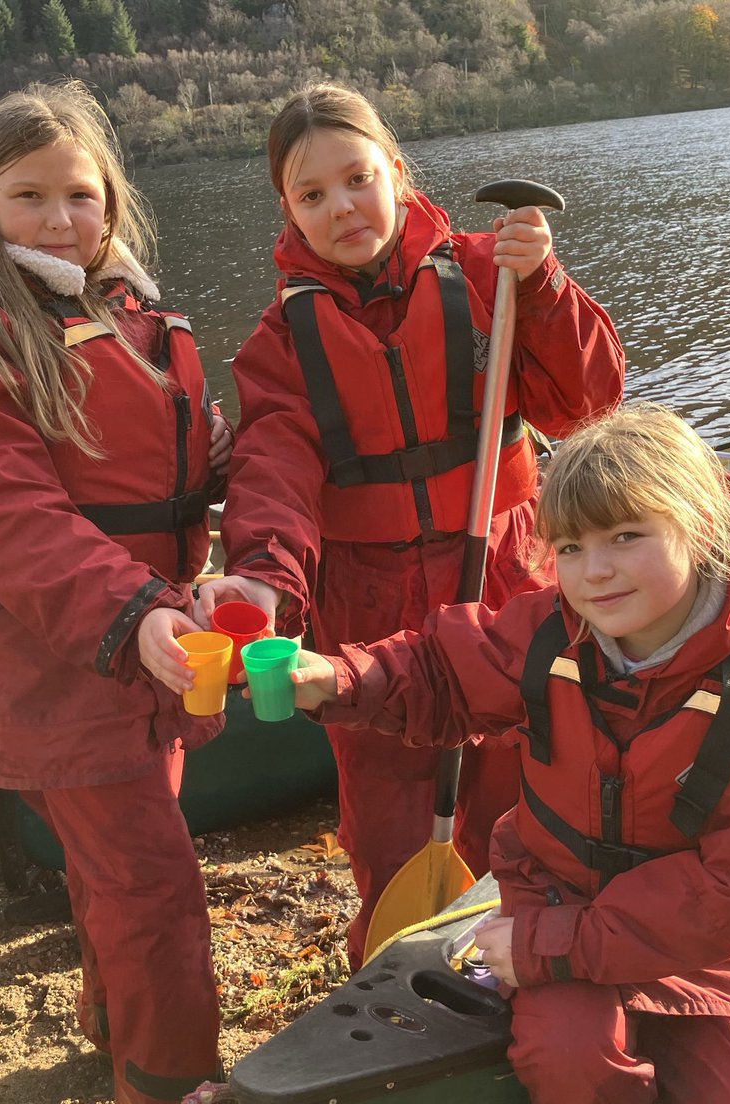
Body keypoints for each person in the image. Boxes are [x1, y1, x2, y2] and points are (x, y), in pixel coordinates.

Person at [288, 403, 730, 1104]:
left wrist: (546, 947)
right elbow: (439, 669)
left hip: (707, 944)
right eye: (570, 548)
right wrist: (337, 679)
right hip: (560, 891)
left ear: (700, 528)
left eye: (626, 536)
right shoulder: (548, 634)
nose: (595, 570)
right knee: (569, 1065)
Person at [0, 82, 269, 1104]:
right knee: (154, 890)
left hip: (143, 648)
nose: (60, 219)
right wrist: (131, 614)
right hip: (63, 658)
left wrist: (218, 463)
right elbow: (5, 510)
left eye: (80, 193)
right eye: (29, 196)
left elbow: (135, 472)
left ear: (112, 200)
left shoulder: (128, 309)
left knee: (118, 874)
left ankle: (110, 1025)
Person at [194, 83, 625, 969]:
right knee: (387, 828)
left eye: (357, 177)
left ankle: (535, 964)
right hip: (368, 606)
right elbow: (273, 470)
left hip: (508, 577)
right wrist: (265, 577)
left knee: (527, 794)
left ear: (396, 170)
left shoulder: (489, 278)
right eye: (312, 195)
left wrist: (542, 287)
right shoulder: (280, 342)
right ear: (289, 210)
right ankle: (395, 984)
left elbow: (590, 402)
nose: (342, 207)